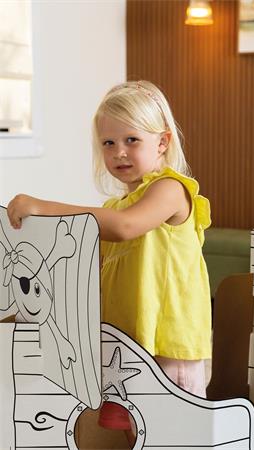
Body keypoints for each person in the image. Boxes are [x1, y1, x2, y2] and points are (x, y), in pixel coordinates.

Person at [7, 80, 212, 446]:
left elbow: (125, 227)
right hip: (127, 345)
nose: (119, 152)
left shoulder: (171, 189)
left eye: (131, 140)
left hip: (167, 345)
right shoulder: (115, 206)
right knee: (138, 435)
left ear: (162, 142)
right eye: (108, 143)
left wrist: (42, 206)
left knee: (172, 436)